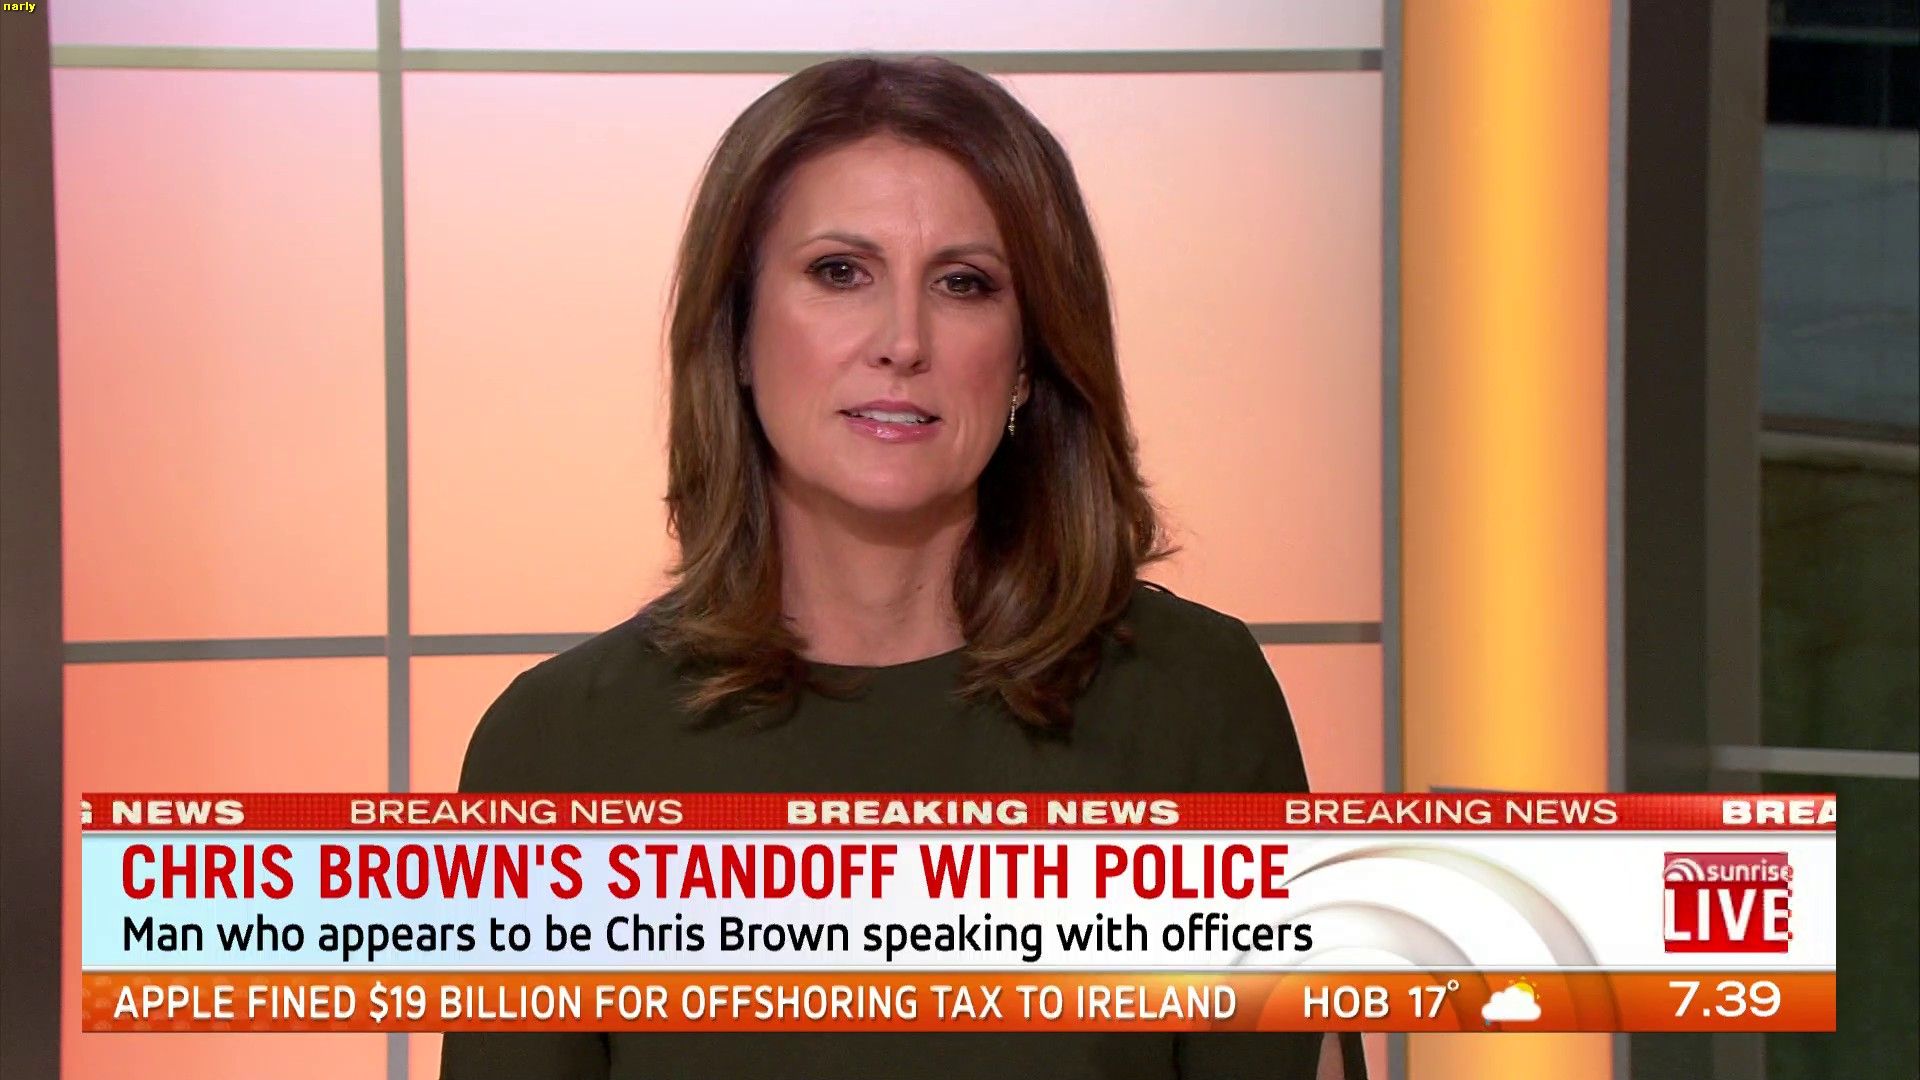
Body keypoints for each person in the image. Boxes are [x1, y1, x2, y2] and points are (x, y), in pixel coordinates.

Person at [443, 55, 1357, 1080]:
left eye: (964, 284)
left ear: (1027, 355)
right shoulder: (559, 748)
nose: (904, 341)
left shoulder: (1194, 702)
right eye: (841, 272)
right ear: (737, 332)